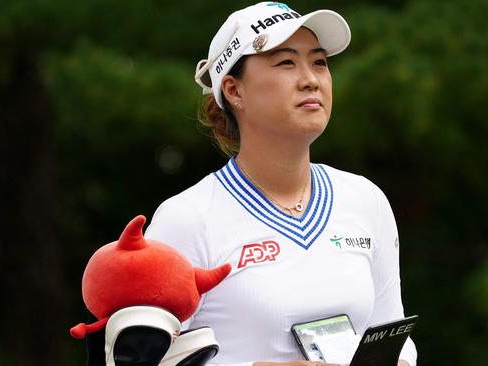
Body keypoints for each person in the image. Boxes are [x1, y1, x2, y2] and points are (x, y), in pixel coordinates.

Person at [145, 2, 417, 366]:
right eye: (286, 63)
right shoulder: (187, 218)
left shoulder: (365, 200)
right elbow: (145, 360)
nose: (311, 79)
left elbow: (392, 331)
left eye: (319, 61)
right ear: (234, 90)